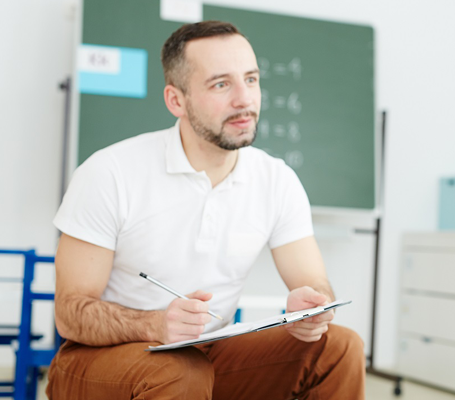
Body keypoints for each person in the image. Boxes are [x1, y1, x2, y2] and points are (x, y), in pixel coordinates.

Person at [46, 20, 365, 399]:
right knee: (180, 373)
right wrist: (154, 325)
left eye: (251, 79)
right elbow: (70, 314)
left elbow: (314, 283)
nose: (245, 99)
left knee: (340, 347)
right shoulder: (109, 172)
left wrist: (312, 306)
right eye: (221, 84)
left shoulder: (276, 180)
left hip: (205, 355)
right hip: (97, 361)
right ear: (176, 100)